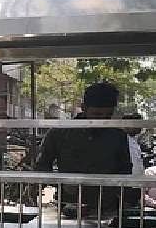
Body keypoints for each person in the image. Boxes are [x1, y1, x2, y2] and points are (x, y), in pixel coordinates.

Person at [36, 82, 131, 213]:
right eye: (97, 115)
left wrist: (115, 190)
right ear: (83, 108)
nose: (102, 120)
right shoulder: (60, 132)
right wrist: (61, 182)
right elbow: (42, 166)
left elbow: (125, 170)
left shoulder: (118, 135)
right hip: (69, 206)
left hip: (106, 208)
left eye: (107, 115)